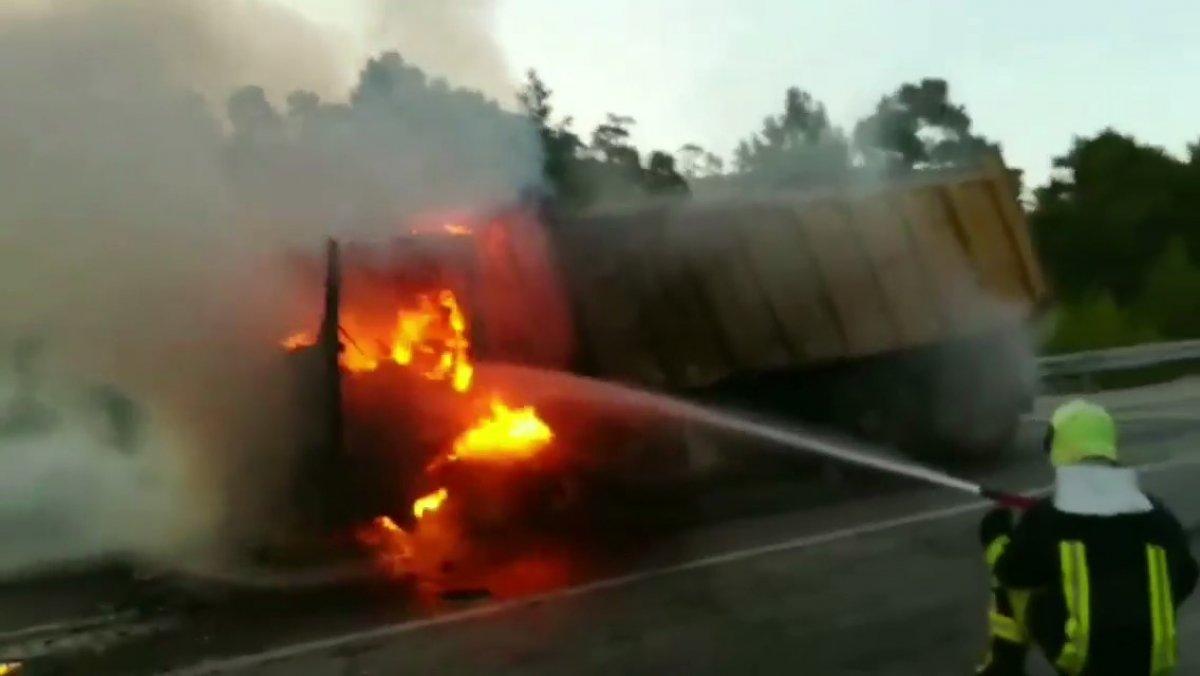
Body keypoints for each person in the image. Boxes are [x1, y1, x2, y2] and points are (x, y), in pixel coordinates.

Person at [977, 399, 1198, 676]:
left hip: (1083, 661)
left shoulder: (1050, 516)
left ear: (1059, 446)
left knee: (1009, 585)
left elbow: (1013, 572)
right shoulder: (1158, 515)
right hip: (1152, 662)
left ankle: (1003, 667)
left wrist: (995, 533)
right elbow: (1187, 576)